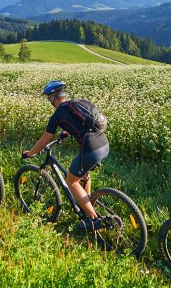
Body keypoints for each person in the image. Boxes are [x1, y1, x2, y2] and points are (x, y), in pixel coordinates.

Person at [22, 80, 109, 231]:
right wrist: (66, 133)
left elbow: (43, 141)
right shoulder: (75, 104)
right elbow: (80, 123)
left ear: (53, 97)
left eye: (49, 98)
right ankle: (87, 204)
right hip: (104, 144)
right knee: (83, 175)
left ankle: (93, 220)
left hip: (91, 149)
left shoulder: (57, 115)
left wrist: (30, 153)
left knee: (71, 181)